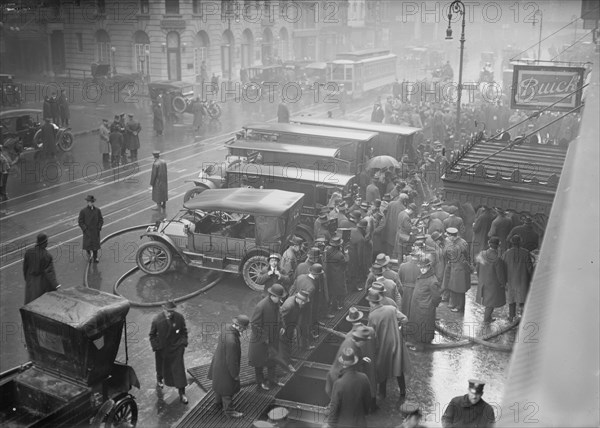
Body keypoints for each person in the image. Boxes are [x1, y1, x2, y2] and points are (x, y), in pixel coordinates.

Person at [367, 289, 409, 401]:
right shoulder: (391, 309)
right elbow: (405, 319)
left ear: (371, 302)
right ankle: (403, 391)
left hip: (383, 345)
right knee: (398, 367)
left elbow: (371, 333)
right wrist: (397, 326)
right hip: (396, 342)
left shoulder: (372, 315)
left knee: (382, 368)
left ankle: (382, 394)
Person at [208, 314, 250, 418]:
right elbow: (232, 361)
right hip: (226, 369)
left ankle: (217, 403)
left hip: (218, 363)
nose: (244, 331)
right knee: (227, 390)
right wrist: (235, 375)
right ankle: (229, 412)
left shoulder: (226, 327)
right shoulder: (232, 341)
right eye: (244, 329)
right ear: (240, 327)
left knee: (219, 386)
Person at [248, 283, 288, 391]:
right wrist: (265, 338)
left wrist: (282, 325)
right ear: (272, 296)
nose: (280, 300)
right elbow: (254, 324)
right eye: (279, 298)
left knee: (272, 359)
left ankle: (273, 379)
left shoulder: (276, 303)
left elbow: (279, 315)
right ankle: (260, 382)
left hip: (273, 338)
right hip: (261, 341)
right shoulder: (261, 306)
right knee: (259, 362)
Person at [149, 300, 189, 404]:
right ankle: (159, 380)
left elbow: (184, 332)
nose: (170, 313)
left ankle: (182, 393)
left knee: (179, 371)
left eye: (172, 311)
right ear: (164, 309)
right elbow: (152, 335)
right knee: (161, 367)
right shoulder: (157, 320)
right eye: (168, 311)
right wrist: (157, 347)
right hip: (163, 350)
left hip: (176, 349)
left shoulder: (179, 318)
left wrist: (183, 344)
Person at [323, 348, 372, 428]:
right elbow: (367, 402)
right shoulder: (364, 378)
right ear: (354, 362)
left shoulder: (339, 383)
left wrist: (329, 424)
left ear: (343, 364)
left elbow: (334, 407)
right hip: (360, 423)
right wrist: (364, 413)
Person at [406, 258, 441, 348]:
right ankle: (417, 341)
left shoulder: (432, 280)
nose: (422, 269)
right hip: (417, 307)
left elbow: (436, 297)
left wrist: (431, 306)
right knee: (417, 326)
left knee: (424, 328)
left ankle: (423, 346)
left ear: (429, 266)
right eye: (421, 267)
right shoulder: (422, 275)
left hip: (425, 309)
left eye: (424, 267)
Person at [475, 237, 507, 323]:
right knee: (490, 303)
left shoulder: (481, 254)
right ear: (498, 246)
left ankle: (488, 318)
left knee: (488, 302)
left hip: (483, 281)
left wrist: (480, 277)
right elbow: (500, 274)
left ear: (489, 244)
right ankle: (486, 320)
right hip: (493, 284)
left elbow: (477, 267)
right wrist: (503, 283)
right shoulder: (497, 259)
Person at [502, 235, 533, 322]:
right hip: (523, 280)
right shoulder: (526, 253)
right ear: (520, 242)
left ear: (512, 243)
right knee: (522, 299)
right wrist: (531, 278)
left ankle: (511, 317)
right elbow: (530, 268)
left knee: (512, 299)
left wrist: (504, 281)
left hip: (511, 280)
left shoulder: (506, 253)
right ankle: (523, 318)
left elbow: (503, 267)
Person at [23, 233, 61, 304]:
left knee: (30, 302)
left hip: (30, 281)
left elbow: (25, 268)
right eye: (46, 242)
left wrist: (28, 279)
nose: (47, 243)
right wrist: (56, 285)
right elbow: (49, 272)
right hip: (41, 283)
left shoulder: (28, 252)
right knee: (42, 303)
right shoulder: (46, 256)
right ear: (44, 243)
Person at [279, 290, 310, 370]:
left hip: (291, 324)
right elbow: (280, 316)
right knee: (283, 345)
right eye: (302, 302)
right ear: (298, 298)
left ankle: (288, 358)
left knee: (289, 342)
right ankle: (286, 364)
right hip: (284, 327)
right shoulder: (288, 306)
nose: (303, 303)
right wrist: (282, 328)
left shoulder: (299, 303)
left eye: (304, 302)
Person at [443, 227, 471, 313]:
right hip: (456, 268)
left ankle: (460, 307)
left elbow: (447, 254)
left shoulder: (457, 245)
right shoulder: (463, 242)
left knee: (460, 289)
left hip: (459, 269)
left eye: (448, 236)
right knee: (454, 287)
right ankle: (454, 303)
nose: (447, 238)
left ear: (452, 236)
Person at [324, 236, 348, 312]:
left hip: (329, 274)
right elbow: (345, 262)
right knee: (339, 291)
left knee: (331, 290)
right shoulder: (340, 255)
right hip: (338, 275)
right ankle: (338, 305)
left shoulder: (328, 251)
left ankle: (331, 305)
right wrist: (346, 253)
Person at [78, 195, 103, 263]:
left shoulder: (97, 210)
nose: (90, 203)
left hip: (95, 231)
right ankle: (89, 255)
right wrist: (85, 229)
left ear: (93, 202)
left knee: (95, 246)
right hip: (88, 231)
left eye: (91, 202)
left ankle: (95, 257)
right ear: (87, 202)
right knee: (88, 245)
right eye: (89, 202)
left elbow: (101, 220)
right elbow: (80, 221)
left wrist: (99, 227)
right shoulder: (83, 211)